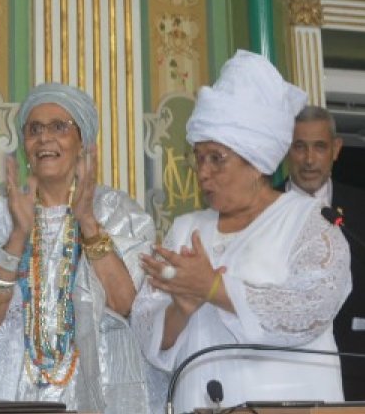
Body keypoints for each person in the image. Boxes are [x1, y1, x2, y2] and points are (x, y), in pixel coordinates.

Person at [132, 50, 351, 413]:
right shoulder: (186, 229)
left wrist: (214, 289)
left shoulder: (308, 221)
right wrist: (181, 311)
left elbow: (310, 308)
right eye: (198, 157)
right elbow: (147, 332)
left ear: (257, 162)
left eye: (216, 158)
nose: (203, 172)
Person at [0, 83, 155, 414]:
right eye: (34, 129)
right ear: (24, 143)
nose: (44, 138)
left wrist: (88, 224)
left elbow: (126, 304)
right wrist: (18, 235)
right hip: (7, 389)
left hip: (95, 386)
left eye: (59, 127)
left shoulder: (117, 210)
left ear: (82, 142)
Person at [286, 105, 365, 400]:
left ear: (336, 149)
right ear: (287, 149)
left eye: (319, 147)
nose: (309, 159)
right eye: (300, 147)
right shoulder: (263, 210)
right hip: (286, 368)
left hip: (360, 372)